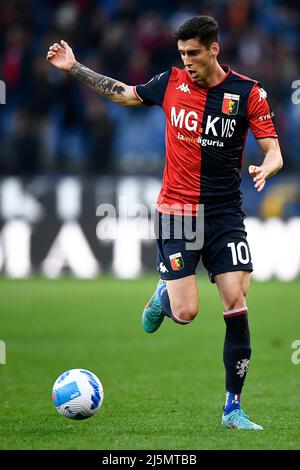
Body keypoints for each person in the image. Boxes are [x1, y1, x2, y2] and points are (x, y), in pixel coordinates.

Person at [47, 15, 283, 430]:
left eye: (194, 53)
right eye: (182, 54)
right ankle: (162, 297)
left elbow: (274, 151)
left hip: (226, 213)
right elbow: (123, 93)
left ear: (214, 48)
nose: (187, 62)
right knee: (187, 312)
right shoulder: (171, 82)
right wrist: (75, 67)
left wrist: (267, 167)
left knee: (236, 300)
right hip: (178, 212)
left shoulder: (248, 93)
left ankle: (233, 409)